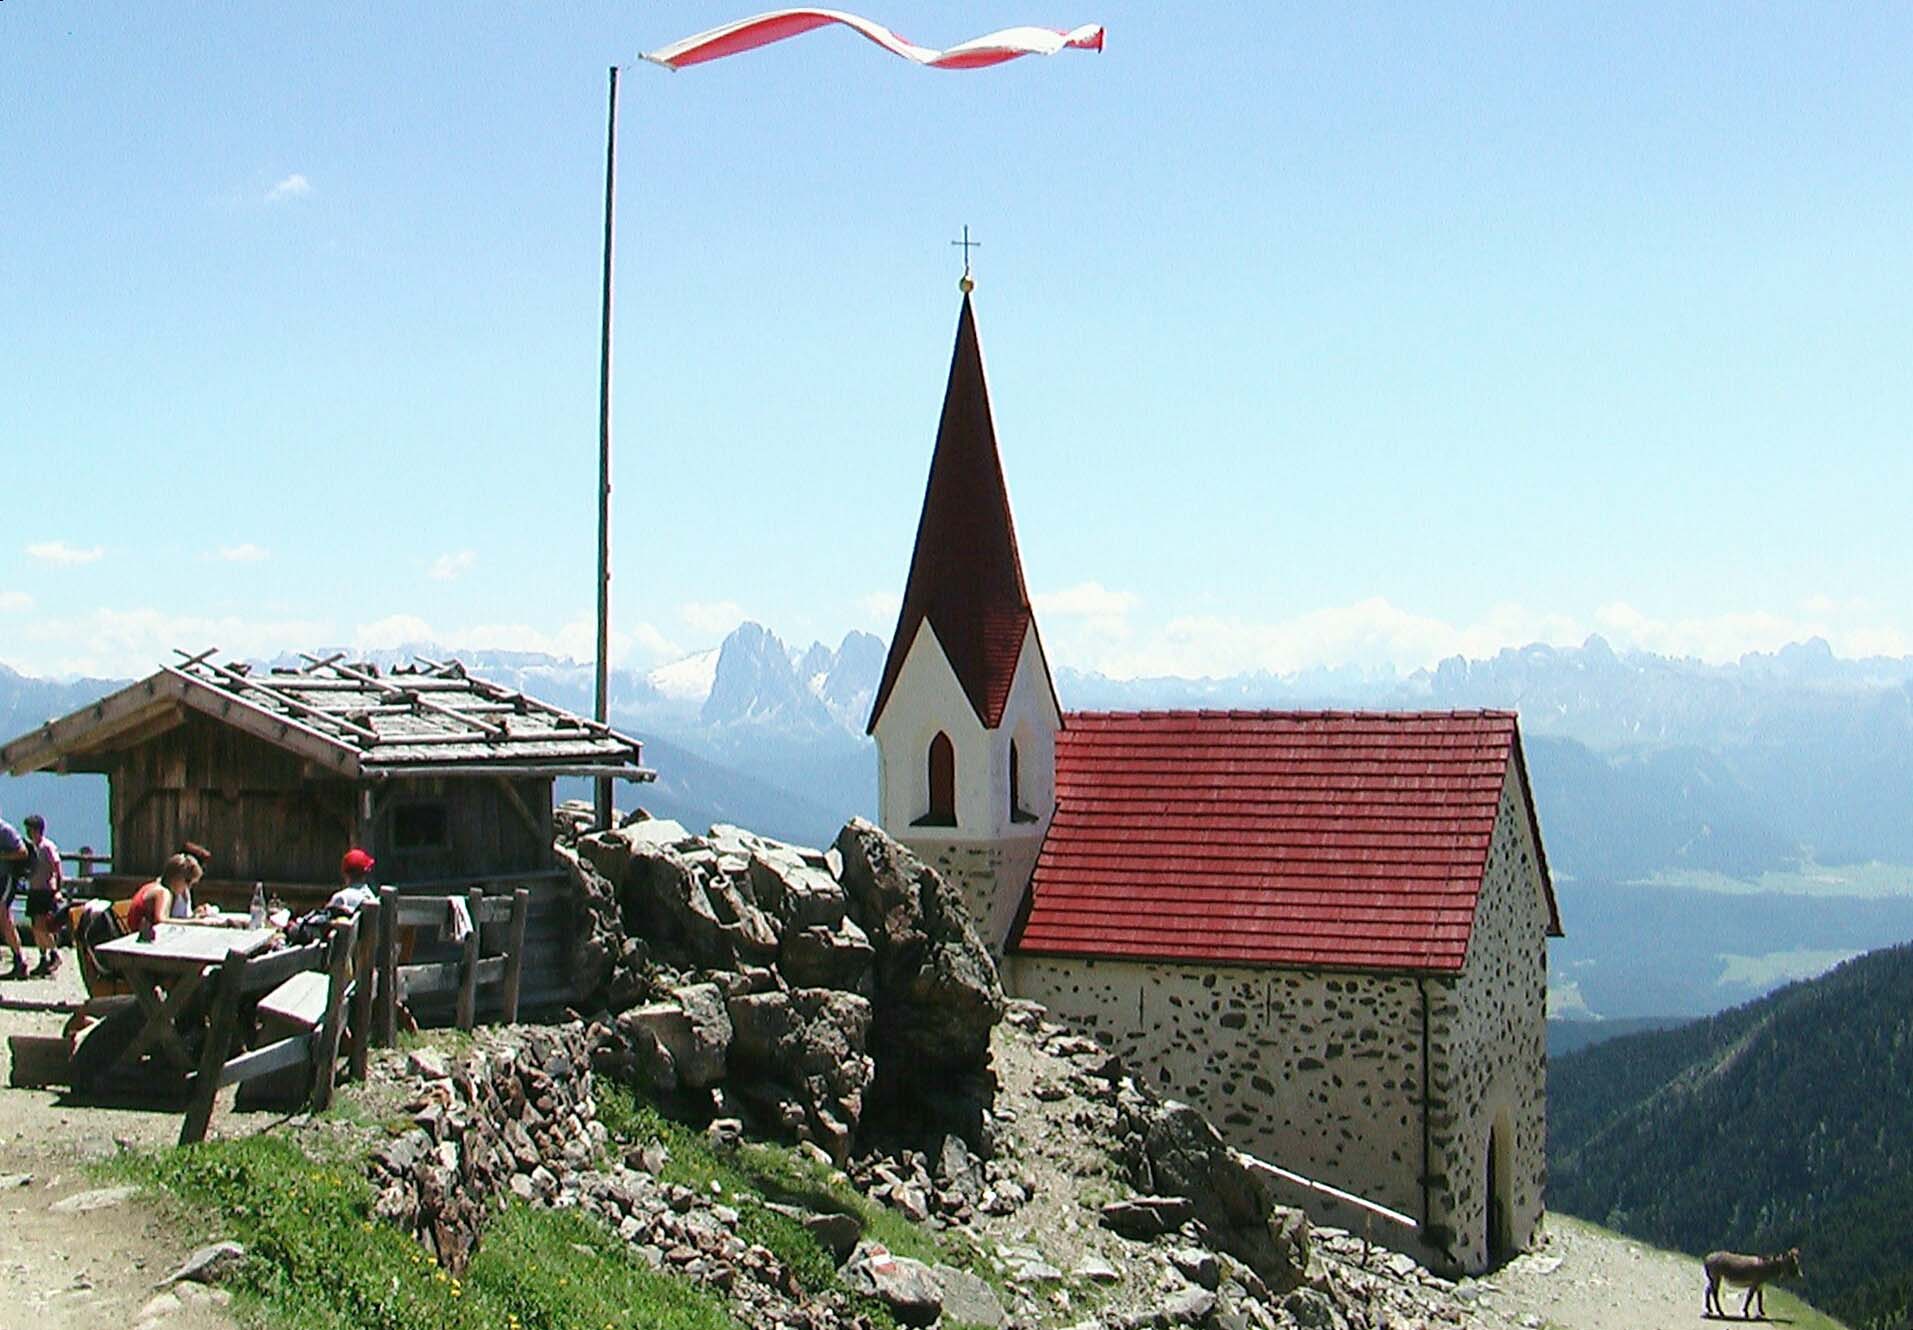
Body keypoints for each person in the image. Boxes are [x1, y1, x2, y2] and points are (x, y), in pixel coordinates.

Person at [22, 815, 64, 976]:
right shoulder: (32, 848)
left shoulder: (48, 847)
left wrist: (58, 890)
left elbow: (57, 868)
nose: (27, 833)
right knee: (35, 927)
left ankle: (55, 953)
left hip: (45, 891)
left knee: (43, 926)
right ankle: (43, 957)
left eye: (30, 829)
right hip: (34, 890)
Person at [126, 852, 205, 938]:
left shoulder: (154, 886)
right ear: (176, 877)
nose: (188, 888)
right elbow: (161, 921)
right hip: (139, 937)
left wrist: (194, 916)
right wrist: (196, 922)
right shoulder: (162, 892)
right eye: (188, 882)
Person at [0, 806, 32, 978]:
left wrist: (2, 856)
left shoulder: (4, 830)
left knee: (3, 915)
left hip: (5, 878)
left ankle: (20, 959)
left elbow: (22, 852)